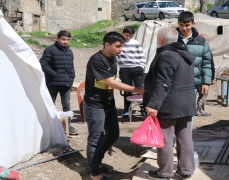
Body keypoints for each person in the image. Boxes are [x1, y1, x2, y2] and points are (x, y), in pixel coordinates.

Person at [83, 32, 144, 180]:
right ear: (107, 45)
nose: (121, 49)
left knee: (113, 134)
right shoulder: (96, 60)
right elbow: (111, 82)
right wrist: (136, 90)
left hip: (108, 103)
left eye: (122, 46)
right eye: (118, 46)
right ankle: (95, 173)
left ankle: (97, 162)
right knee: (95, 138)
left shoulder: (113, 58)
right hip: (95, 105)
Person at [143, 27, 196, 180]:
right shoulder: (185, 54)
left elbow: (163, 83)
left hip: (170, 104)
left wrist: (153, 104)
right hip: (186, 104)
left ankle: (165, 173)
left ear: (161, 40)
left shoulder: (167, 55)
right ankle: (186, 171)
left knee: (165, 139)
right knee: (185, 138)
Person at [40, 30, 78, 135]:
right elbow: (43, 64)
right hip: (53, 83)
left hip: (66, 83)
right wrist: (55, 75)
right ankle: (50, 126)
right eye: (63, 39)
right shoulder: (50, 50)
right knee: (51, 104)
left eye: (67, 39)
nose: (65, 42)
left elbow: (71, 66)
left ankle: (68, 125)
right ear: (57, 38)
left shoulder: (69, 51)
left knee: (66, 104)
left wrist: (71, 77)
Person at [176, 11, 212, 118]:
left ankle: (186, 134)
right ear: (177, 23)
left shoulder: (201, 41)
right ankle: (174, 135)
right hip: (174, 82)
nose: (184, 28)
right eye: (181, 25)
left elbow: (207, 63)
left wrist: (206, 82)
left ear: (193, 24)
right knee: (175, 110)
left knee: (189, 111)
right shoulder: (171, 39)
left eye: (187, 25)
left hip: (193, 82)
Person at [117, 26, 146, 118]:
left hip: (136, 68)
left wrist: (141, 66)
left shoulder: (135, 43)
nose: (128, 38)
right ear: (122, 33)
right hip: (124, 69)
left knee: (140, 89)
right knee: (127, 89)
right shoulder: (118, 43)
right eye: (126, 35)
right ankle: (127, 110)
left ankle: (143, 109)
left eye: (130, 36)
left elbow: (141, 55)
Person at [196, 34, 215, 116]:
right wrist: (211, 78)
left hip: (198, 77)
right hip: (201, 77)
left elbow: (211, 66)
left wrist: (212, 77)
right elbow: (210, 66)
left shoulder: (194, 50)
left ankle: (198, 110)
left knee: (201, 94)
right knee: (203, 95)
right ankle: (200, 110)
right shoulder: (207, 52)